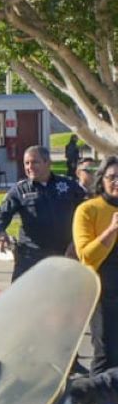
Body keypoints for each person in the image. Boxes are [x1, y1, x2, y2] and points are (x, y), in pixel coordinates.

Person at [0, 146, 85, 280]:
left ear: (47, 162)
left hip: (64, 253)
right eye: (26, 163)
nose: (30, 167)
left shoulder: (68, 186)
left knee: (62, 297)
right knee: (26, 297)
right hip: (30, 256)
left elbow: (85, 213)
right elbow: (1, 214)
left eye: (34, 162)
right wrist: (1, 232)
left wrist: (76, 242)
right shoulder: (20, 190)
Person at [74, 158, 118, 373]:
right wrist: (111, 229)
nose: (117, 182)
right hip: (103, 293)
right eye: (112, 177)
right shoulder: (88, 210)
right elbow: (86, 256)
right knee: (106, 355)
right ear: (102, 180)